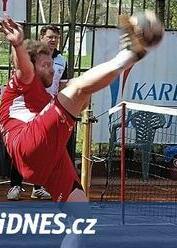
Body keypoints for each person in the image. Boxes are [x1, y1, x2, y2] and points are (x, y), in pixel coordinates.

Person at [0, 14, 151, 202]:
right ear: (32, 65)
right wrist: (17, 44)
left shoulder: (47, 97)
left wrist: (82, 92)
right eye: (46, 65)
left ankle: (76, 231)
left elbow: (81, 102)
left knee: (78, 204)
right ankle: (130, 52)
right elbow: (23, 67)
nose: (52, 70)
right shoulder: (22, 83)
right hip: (25, 141)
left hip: (44, 161)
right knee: (76, 88)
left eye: (52, 64)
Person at [6, 25, 69, 201]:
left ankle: (38, 187)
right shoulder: (31, 56)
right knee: (23, 147)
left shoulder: (62, 60)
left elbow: (62, 85)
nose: (53, 40)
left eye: (56, 37)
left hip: (49, 109)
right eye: (50, 37)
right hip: (26, 107)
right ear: (42, 38)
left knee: (45, 149)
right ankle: (16, 186)